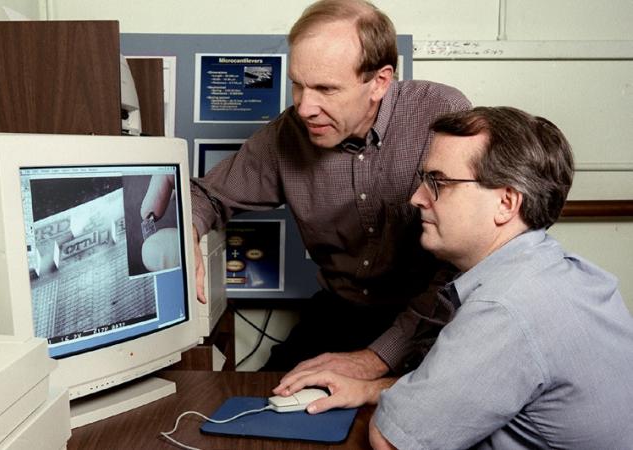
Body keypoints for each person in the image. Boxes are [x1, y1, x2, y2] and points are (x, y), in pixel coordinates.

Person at [276, 106, 633, 449]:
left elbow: (392, 441)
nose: (417, 198)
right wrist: (372, 388)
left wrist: (394, 401)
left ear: (506, 203)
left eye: (438, 182)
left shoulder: (504, 309)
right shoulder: (556, 271)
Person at [189, 0, 471, 376]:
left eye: (326, 88)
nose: (305, 107)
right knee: (267, 397)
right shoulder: (288, 136)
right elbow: (205, 195)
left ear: (380, 82)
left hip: (433, 315)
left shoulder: (441, 114)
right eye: (298, 86)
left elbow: (467, 260)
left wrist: (378, 358)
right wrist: (187, 231)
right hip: (342, 311)